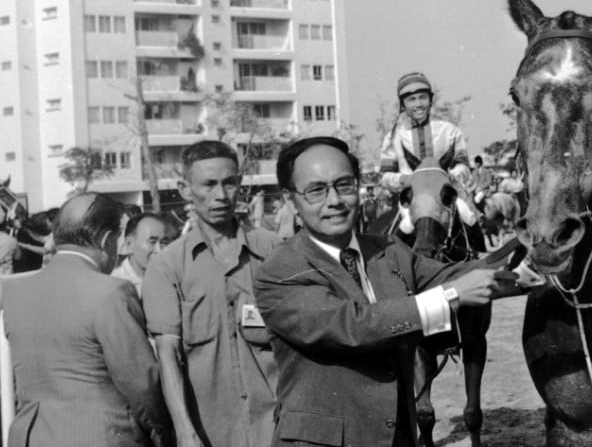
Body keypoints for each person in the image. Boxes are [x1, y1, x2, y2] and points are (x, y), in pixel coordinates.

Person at [254, 137, 510, 447]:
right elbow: (354, 326)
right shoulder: (280, 270)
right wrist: (451, 295)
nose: (334, 200)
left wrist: (529, 258)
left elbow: (449, 274)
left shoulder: (389, 249)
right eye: (316, 190)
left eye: (344, 185)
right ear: (290, 200)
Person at [2, 193, 174, 446]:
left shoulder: (16, 293)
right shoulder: (112, 292)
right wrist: (165, 435)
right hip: (98, 437)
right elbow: (142, 385)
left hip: (32, 437)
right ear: (106, 240)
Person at [142, 140, 281, 447]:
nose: (221, 195)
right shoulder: (167, 267)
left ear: (240, 184)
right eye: (208, 184)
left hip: (276, 427)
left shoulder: (273, 250)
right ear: (185, 189)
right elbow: (168, 354)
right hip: (211, 432)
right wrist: (185, 431)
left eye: (229, 183)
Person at [379, 72, 471, 194]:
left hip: (447, 196)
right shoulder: (392, 138)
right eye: (411, 99)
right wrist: (405, 179)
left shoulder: (451, 132)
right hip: (409, 198)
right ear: (402, 104)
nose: (418, 104)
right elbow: (385, 178)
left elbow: (464, 168)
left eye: (423, 97)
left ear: (431, 99)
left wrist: (452, 176)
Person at [111, 211, 171, 297]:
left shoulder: (172, 277)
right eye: (152, 242)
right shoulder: (116, 285)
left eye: (164, 242)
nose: (159, 250)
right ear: (129, 244)